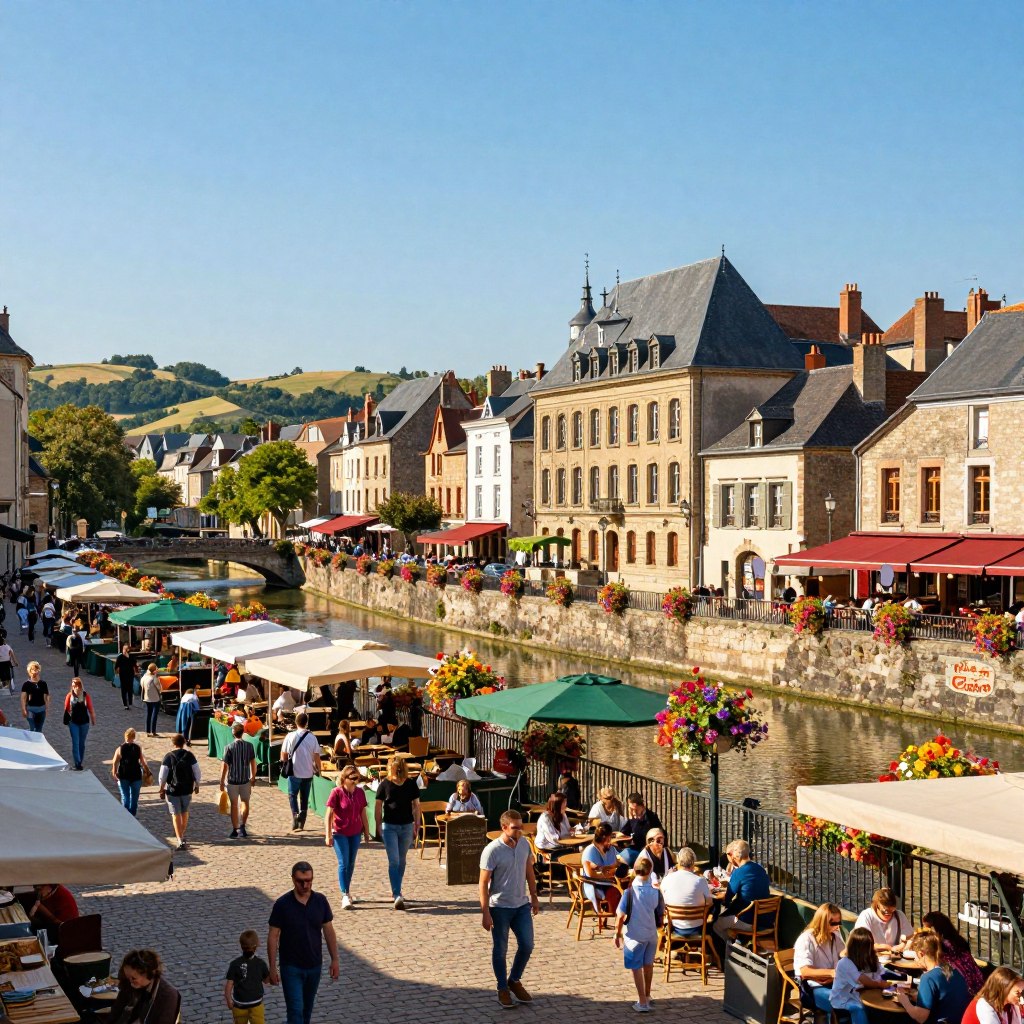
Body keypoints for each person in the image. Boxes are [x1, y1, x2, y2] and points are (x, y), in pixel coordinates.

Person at [479, 809, 540, 1010]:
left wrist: (534, 896)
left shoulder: (523, 844)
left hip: (521, 905)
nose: (519, 830)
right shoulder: (492, 850)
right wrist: (485, 912)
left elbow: (528, 870)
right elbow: (483, 883)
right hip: (500, 907)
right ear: (504, 827)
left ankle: (514, 979)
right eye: (515, 828)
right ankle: (502, 988)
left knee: (527, 945)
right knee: (501, 949)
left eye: (521, 826)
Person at [267, 861, 339, 1024]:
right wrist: (272, 967)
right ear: (293, 879)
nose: (306, 885)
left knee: (306, 1010)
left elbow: (328, 930)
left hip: (314, 965)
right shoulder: (282, 904)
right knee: (295, 1011)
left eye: (309, 880)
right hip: (291, 966)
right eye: (301, 881)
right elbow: (273, 936)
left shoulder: (320, 901)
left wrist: (335, 959)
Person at [614, 857, 665, 1013]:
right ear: (650, 872)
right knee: (648, 965)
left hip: (634, 935)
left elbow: (620, 917)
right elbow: (660, 913)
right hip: (651, 933)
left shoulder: (629, 893)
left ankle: (642, 1001)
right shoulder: (656, 891)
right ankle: (647, 995)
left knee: (636, 967)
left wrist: (616, 934)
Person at [374, 757, 421, 910]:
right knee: (394, 860)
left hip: (406, 825)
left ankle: (397, 887)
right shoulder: (385, 785)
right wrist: (378, 824)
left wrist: (417, 823)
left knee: (402, 860)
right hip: (390, 826)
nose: (398, 771)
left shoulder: (410, 784)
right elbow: (378, 805)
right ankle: (397, 893)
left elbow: (416, 804)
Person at [897, 928, 971, 1024]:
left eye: (915, 956)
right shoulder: (955, 970)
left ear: (921, 954)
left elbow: (920, 1017)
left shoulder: (928, 978)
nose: (915, 960)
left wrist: (904, 1000)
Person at [324, 765, 370, 909]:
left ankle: (347, 890)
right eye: (353, 778)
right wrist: (328, 834)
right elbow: (328, 815)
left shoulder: (360, 793)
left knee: (351, 863)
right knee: (343, 862)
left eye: (358, 778)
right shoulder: (336, 792)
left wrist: (366, 831)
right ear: (345, 778)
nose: (356, 781)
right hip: (339, 832)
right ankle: (344, 894)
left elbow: (363, 812)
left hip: (355, 832)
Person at [713, 839, 772, 941]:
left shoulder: (739, 872)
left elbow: (727, 899)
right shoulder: (760, 869)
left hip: (748, 921)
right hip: (765, 920)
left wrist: (718, 894)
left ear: (734, 855)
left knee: (716, 924)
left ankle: (730, 950)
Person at [792, 902, 844, 1013]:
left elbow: (844, 955)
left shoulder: (835, 934)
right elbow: (804, 971)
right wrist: (830, 973)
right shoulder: (807, 939)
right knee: (843, 1003)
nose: (837, 926)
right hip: (812, 987)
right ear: (822, 922)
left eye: (838, 922)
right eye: (833, 923)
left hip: (832, 982)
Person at [830, 926, 888, 1024]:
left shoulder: (871, 958)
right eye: (867, 946)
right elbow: (863, 980)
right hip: (844, 999)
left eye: (871, 945)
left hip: (864, 994)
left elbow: (881, 972)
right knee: (859, 1008)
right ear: (858, 948)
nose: (870, 949)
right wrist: (879, 984)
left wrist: (893, 980)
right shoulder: (845, 963)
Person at [107, 949, 181, 1024]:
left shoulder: (167, 996)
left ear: (148, 974)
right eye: (127, 977)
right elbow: (116, 1011)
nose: (130, 981)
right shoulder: (129, 983)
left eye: (133, 978)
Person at [922, 910, 986, 996]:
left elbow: (937, 966)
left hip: (964, 987)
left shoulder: (943, 945)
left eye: (928, 929)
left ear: (935, 929)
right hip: (977, 983)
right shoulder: (958, 940)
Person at [159, 732, 201, 850]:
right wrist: (197, 784)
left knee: (175, 814)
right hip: (187, 788)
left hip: (173, 789)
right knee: (184, 812)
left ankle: (179, 838)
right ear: (183, 743)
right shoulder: (190, 756)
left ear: (173, 744)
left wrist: (161, 788)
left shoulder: (168, 756)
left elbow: (163, 775)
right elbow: (197, 771)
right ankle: (181, 836)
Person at [281, 712, 321, 832]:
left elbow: (283, 754)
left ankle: (295, 814)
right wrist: (319, 769)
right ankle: (302, 816)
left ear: (296, 722)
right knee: (304, 796)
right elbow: (317, 756)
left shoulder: (290, 736)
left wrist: (284, 764)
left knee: (292, 795)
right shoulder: (312, 737)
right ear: (306, 723)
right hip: (308, 772)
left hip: (294, 771)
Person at [661, 848, 713, 936]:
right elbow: (709, 902)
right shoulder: (700, 881)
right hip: (697, 925)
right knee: (714, 909)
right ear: (693, 862)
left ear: (678, 861)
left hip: (673, 924)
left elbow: (662, 898)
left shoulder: (667, 879)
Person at [223, 928, 270, 1024]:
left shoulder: (234, 964)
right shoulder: (260, 964)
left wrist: (228, 999)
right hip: (256, 1004)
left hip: (239, 1005)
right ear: (256, 946)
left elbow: (229, 985)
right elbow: (266, 980)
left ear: (241, 946)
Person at [220, 722, 257, 840]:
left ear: (233, 733)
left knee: (234, 805)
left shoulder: (229, 748)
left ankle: (235, 829)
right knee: (245, 803)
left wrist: (221, 781)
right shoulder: (249, 746)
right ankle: (243, 826)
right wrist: (253, 776)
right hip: (245, 780)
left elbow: (225, 766)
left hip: (233, 781)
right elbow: (253, 762)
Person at [582, 823, 623, 914]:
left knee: (627, 888)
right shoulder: (590, 851)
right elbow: (590, 874)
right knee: (616, 892)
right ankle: (616, 917)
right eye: (609, 839)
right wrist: (607, 875)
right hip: (595, 885)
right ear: (603, 838)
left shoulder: (610, 849)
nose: (610, 842)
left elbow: (618, 861)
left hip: (609, 882)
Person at [620, 793, 665, 868]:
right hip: (635, 848)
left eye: (636, 809)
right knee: (621, 856)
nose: (633, 812)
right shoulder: (633, 818)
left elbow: (660, 836)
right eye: (631, 809)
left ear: (642, 807)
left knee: (628, 857)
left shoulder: (651, 818)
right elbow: (623, 833)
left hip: (648, 850)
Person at [112, 727, 149, 817]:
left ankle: (125, 816)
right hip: (136, 776)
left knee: (126, 797)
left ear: (125, 736)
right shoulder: (137, 748)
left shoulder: (120, 748)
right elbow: (143, 762)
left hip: (124, 775)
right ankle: (132, 816)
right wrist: (147, 771)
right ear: (134, 737)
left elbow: (115, 762)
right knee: (134, 799)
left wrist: (114, 772)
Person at [63, 677, 96, 771]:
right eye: (73, 686)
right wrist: (67, 720)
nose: (75, 688)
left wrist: (93, 718)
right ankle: (77, 763)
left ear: (80, 686)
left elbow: (90, 708)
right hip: (73, 723)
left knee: (82, 743)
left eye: (77, 685)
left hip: (84, 723)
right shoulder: (69, 696)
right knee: (75, 743)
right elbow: (66, 709)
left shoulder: (85, 696)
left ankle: (80, 761)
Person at [20, 660, 50, 732]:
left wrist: (47, 708)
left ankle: (36, 742)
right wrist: (24, 709)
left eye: (36, 669)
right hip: (30, 709)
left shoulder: (43, 683)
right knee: (33, 728)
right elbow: (23, 698)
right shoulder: (26, 684)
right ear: (29, 672)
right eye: (32, 670)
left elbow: (46, 697)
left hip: (41, 709)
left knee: (39, 729)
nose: (34, 671)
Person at [140, 661, 162, 737]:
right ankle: (153, 731)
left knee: (148, 715)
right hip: (155, 699)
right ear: (154, 670)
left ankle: (147, 731)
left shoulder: (144, 677)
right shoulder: (154, 678)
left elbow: (142, 686)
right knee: (154, 715)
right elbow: (159, 688)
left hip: (146, 698)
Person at [114, 644, 136, 711]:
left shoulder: (131, 657)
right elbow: (116, 666)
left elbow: (134, 664)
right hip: (123, 675)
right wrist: (116, 673)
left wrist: (128, 657)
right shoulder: (120, 657)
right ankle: (125, 704)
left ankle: (130, 702)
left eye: (126, 649)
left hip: (130, 674)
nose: (125, 651)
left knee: (130, 688)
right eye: (124, 649)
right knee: (124, 690)